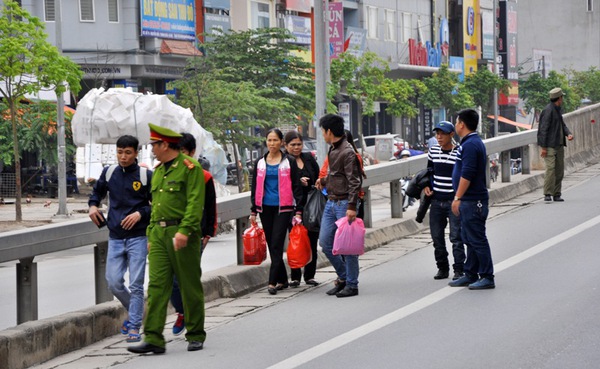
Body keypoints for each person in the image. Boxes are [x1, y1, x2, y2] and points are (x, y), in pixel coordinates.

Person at [127, 123, 206, 354]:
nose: (152, 148)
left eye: (154, 144)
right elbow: (155, 206)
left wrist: (185, 231)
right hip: (159, 234)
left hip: (182, 233)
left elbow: (194, 203)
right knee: (157, 286)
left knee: (188, 285)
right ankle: (153, 337)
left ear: (165, 144)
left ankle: (195, 334)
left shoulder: (191, 168)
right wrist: (151, 234)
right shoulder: (159, 170)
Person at [88, 135, 152, 343]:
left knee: (136, 284)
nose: (123, 157)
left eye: (127, 153)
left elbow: (157, 204)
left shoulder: (145, 175)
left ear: (136, 153)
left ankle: (134, 326)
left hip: (138, 238)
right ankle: (136, 311)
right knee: (114, 283)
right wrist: (92, 205)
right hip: (115, 237)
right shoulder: (109, 173)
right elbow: (96, 193)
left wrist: (141, 213)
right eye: (119, 152)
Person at [170, 133, 218, 336]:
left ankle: (194, 324)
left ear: (191, 152)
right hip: (170, 233)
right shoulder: (167, 173)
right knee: (171, 280)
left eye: (183, 152)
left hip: (195, 234)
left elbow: (210, 206)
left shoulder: (203, 176)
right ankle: (182, 311)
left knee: (188, 278)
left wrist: (208, 233)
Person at [250, 128, 303, 295]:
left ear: (281, 142)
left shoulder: (289, 161)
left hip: (284, 207)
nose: (272, 144)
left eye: (275, 140)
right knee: (271, 244)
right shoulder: (260, 162)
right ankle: (283, 279)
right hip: (265, 208)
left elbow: (296, 186)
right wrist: (253, 211)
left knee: (276, 243)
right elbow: (254, 188)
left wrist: (298, 211)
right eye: (269, 140)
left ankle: (272, 282)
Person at [315, 115, 363, 298]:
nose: (322, 135)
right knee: (326, 242)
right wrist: (324, 181)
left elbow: (354, 181)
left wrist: (352, 205)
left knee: (348, 247)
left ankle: (352, 284)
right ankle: (344, 277)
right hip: (331, 201)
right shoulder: (334, 149)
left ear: (329, 131)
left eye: (322, 131)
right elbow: (337, 175)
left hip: (344, 204)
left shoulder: (347, 152)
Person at [449, 109, 495, 290]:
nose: (455, 125)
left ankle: (487, 275)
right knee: (468, 237)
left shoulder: (470, 145)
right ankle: (470, 273)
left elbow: (467, 174)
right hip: (470, 200)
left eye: (456, 121)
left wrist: (457, 197)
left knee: (477, 239)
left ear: (462, 124)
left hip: (473, 200)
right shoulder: (470, 142)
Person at [424, 121, 465, 280]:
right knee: (437, 237)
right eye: (437, 134)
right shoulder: (433, 151)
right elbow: (429, 171)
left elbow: (463, 174)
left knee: (456, 237)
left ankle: (459, 269)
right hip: (436, 201)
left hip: (453, 201)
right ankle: (442, 267)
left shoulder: (459, 152)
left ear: (451, 135)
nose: (439, 137)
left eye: (442, 134)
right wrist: (427, 185)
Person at [283, 130, 321, 287]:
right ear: (286, 145)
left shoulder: (309, 159)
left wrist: (309, 182)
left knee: (312, 240)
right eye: (293, 145)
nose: (296, 147)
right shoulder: (284, 161)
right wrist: (298, 182)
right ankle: (295, 276)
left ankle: (310, 275)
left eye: (299, 144)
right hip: (292, 206)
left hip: (311, 205)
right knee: (295, 240)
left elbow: (318, 178)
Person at [537, 87, 574, 202]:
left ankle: (557, 193)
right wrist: (543, 147)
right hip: (549, 146)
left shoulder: (558, 109)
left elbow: (562, 125)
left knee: (559, 170)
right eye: (562, 97)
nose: (562, 99)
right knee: (551, 169)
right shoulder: (548, 110)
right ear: (559, 98)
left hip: (559, 145)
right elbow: (543, 130)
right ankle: (547, 193)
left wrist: (568, 134)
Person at [319, 130, 366, 220]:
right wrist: (322, 180)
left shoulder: (351, 155)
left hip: (347, 200)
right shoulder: (332, 154)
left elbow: (353, 179)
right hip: (331, 197)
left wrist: (352, 206)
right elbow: (326, 173)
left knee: (346, 231)